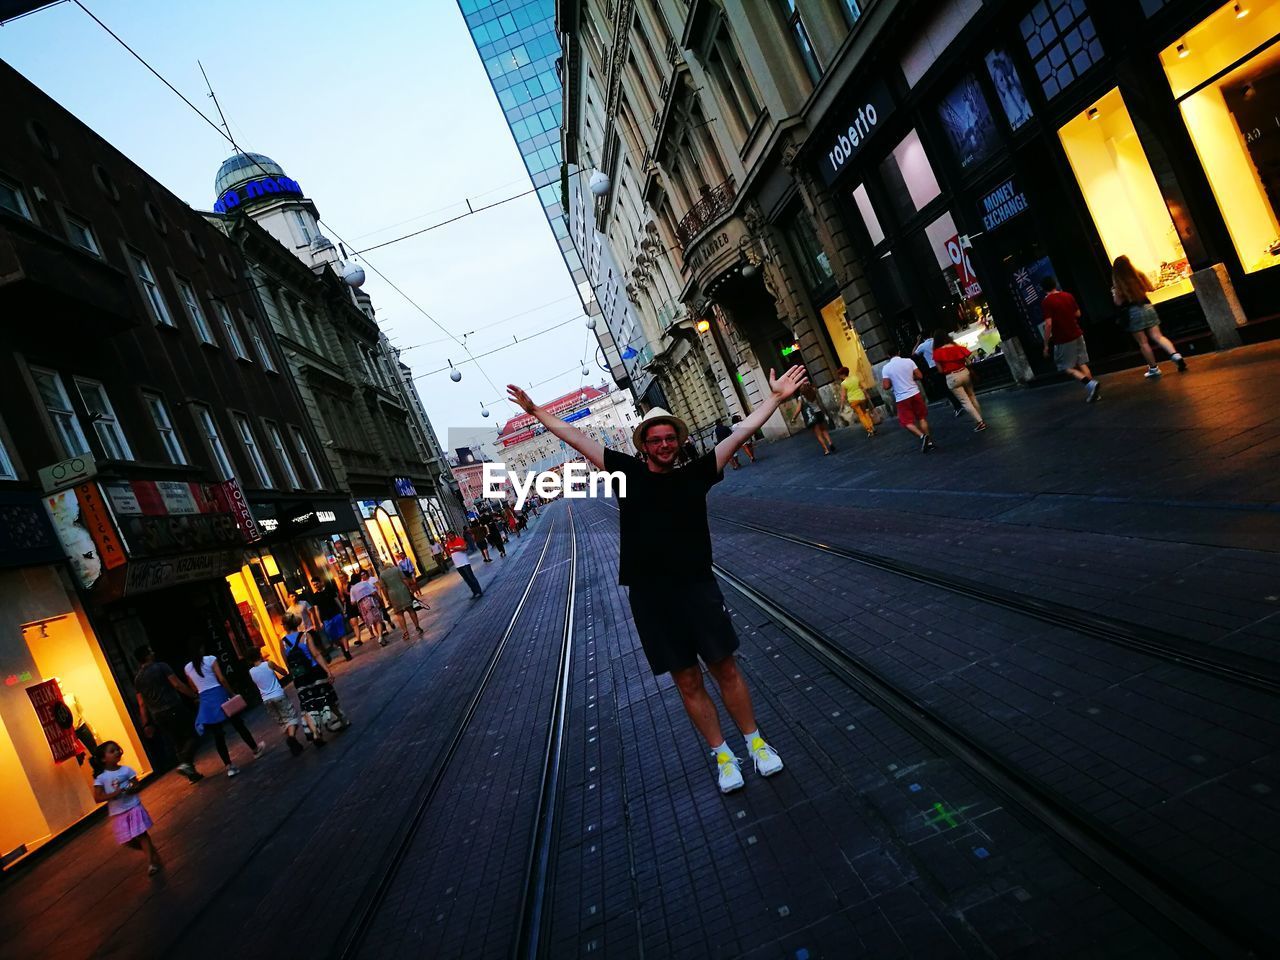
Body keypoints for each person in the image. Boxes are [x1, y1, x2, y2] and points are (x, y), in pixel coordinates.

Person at [507, 369, 806, 796]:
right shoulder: (626, 472)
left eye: (670, 438)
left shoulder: (696, 473)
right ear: (643, 445)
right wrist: (536, 412)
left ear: (679, 442)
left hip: (697, 587)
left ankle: (756, 743)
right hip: (650, 596)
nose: (664, 445)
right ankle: (723, 755)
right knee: (686, 679)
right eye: (656, 440)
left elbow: (739, 434)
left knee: (725, 666)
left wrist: (775, 400)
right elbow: (576, 438)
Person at [183, 641, 263, 778]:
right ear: (201, 648)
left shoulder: (187, 667)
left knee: (218, 735)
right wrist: (231, 693)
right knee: (238, 724)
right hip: (219, 694)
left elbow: (193, 687)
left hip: (206, 700)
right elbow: (221, 679)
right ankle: (255, 749)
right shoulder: (210, 659)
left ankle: (229, 766)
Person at [133, 645, 202, 783]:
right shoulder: (161, 667)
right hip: (173, 707)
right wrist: (194, 696)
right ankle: (186, 764)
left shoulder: (138, 679)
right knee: (193, 734)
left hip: (158, 715)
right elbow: (177, 684)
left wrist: (146, 723)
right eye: (150, 651)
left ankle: (191, 774)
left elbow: (141, 703)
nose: (153, 652)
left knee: (177, 742)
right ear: (147, 656)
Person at [91, 741, 161, 876]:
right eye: (112, 751)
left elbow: (136, 784)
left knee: (141, 834)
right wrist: (114, 794)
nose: (117, 752)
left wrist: (132, 788)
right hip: (118, 812)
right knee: (127, 840)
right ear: (103, 759)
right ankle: (150, 851)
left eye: (117, 749)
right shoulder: (101, 778)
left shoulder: (126, 770)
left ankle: (151, 862)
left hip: (133, 806)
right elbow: (98, 797)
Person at [1111, 256, 1187, 378]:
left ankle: (1153, 369)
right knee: (1158, 336)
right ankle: (1175, 355)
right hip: (1148, 307)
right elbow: (1151, 288)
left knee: (1143, 343)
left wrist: (1114, 292)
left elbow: (1118, 303)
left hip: (1133, 312)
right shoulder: (1138, 274)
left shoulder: (1118, 283)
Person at [281, 614, 348, 739]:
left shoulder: (283, 643)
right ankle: (340, 719)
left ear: (285, 626)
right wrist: (328, 671)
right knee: (326, 697)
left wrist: (296, 675)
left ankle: (315, 733)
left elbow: (287, 664)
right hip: (315, 671)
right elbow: (316, 654)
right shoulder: (306, 636)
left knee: (308, 705)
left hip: (300, 677)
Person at [1041, 277, 1101, 402]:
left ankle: (1090, 384)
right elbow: (1078, 313)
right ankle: (1094, 392)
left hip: (1063, 338)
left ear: (1043, 289)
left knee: (1066, 367)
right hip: (1077, 333)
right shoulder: (1068, 295)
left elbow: (1048, 324)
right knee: (1081, 363)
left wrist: (1046, 344)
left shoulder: (1047, 302)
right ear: (1055, 284)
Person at [248, 648, 308, 756]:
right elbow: (284, 672)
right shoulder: (269, 664)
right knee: (291, 718)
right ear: (259, 654)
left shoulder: (251, 672)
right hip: (278, 695)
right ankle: (291, 738)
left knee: (283, 722)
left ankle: (295, 745)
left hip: (266, 700)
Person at [882, 345, 936, 452]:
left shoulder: (886, 368)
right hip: (915, 393)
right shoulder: (909, 361)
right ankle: (929, 442)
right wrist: (910, 377)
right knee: (921, 418)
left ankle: (922, 436)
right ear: (898, 352)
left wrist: (894, 381)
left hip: (902, 397)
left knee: (906, 422)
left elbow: (886, 386)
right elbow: (920, 376)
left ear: (888, 356)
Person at [932, 331, 987, 431]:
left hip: (952, 377)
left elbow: (940, 370)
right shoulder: (957, 347)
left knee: (965, 401)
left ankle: (980, 422)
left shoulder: (937, 353)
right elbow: (968, 361)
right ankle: (980, 418)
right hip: (965, 372)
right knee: (972, 396)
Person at [913, 332, 963, 415]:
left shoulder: (922, 346)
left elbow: (913, 354)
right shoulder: (937, 341)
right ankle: (961, 402)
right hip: (945, 364)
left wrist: (917, 341)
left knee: (945, 388)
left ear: (922, 338)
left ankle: (957, 406)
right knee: (951, 384)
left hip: (934, 368)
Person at [311, 577, 352, 662]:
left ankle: (347, 652)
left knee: (342, 633)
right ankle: (342, 646)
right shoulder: (315, 596)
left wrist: (342, 611)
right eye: (314, 585)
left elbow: (336, 600)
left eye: (316, 584)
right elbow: (316, 609)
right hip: (326, 619)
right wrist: (319, 621)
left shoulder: (329, 590)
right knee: (332, 637)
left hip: (336, 614)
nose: (315, 586)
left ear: (320, 582)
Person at [379, 562, 424, 638]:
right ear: (391, 566)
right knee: (411, 610)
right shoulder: (397, 569)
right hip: (403, 591)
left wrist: (387, 598)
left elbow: (384, 588)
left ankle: (405, 632)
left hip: (393, 595)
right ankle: (417, 627)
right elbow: (404, 580)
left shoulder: (382, 575)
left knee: (399, 614)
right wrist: (409, 589)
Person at [349, 570, 389, 645]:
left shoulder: (352, 589)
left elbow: (352, 602)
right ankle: (380, 636)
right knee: (378, 620)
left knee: (372, 622)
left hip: (362, 607)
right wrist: (379, 599)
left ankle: (380, 637)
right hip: (371, 602)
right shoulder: (365, 583)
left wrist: (359, 599)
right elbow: (374, 592)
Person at [836, 366, 876, 438]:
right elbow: (862, 387)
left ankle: (869, 429)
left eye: (839, 375)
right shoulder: (855, 378)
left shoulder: (843, 383)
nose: (839, 377)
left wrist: (841, 406)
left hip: (853, 400)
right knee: (865, 412)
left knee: (861, 415)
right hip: (861, 397)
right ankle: (872, 426)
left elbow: (843, 396)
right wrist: (867, 395)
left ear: (842, 375)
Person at [796, 384, 836, 455]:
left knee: (818, 435)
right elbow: (819, 403)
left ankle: (826, 450)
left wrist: (794, 417)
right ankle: (830, 443)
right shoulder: (814, 393)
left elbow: (798, 409)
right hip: (819, 413)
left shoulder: (801, 398)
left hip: (812, 416)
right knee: (824, 430)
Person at [445, 530, 483, 598]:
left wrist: (455, 548)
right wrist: (451, 554)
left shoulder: (460, 539)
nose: (450, 537)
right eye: (449, 536)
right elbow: (448, 551)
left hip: (464, 562)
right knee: (466, 579)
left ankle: (479, 591)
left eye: (451, 535)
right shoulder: (448, 543)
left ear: (454, 535)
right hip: (458, 565)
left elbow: (465, 548)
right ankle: (474, 591)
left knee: (471, 577)